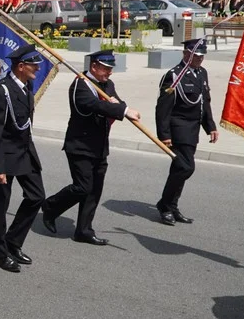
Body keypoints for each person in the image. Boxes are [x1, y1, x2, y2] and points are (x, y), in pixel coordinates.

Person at [42, 51, 139, 246]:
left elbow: (116, 101)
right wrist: (123, 110)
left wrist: (120, 106)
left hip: (100, 146)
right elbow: (93, 105)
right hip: (80, 146)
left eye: (111, 69)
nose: (109, 73)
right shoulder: (81, 84)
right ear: (94, 66)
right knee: (82, 187)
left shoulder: (107, 85)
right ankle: (50, 207)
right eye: (106, 69)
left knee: (94, 190)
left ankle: (84, 230)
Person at [0, 45, 47, 273]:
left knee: (36, 196)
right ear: (21, 67)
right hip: (5, 156)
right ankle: (1, 254)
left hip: (24, 152)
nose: (38, 69)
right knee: (1, 206)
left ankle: (14, 241)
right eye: (34, 65)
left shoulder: (25, 86)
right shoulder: (1, 90)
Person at [154, 39, 217, 225]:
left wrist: (210, 126)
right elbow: (162, 108)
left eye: (201, 56)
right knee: (186, 167)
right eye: (196, 56)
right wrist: (164, 135)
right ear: (186, 54)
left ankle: (171, 206)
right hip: (178, 130)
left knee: (178, 169)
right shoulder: (174, 76)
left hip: (193, 130)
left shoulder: (202, 73)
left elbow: (204, 102)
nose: (199, 59)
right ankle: (165, 204)